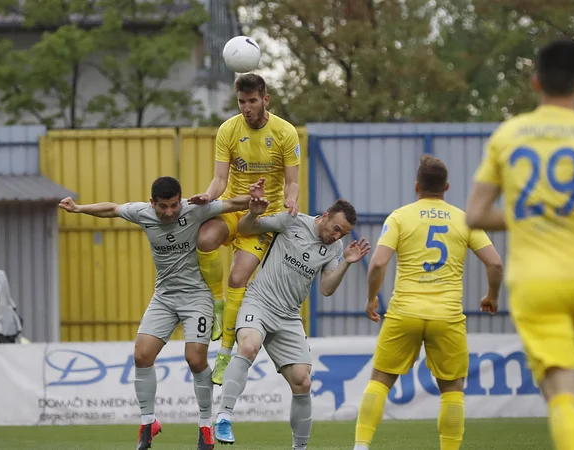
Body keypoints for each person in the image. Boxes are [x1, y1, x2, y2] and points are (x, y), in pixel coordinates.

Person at [465, 38, 574, 450]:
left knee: (563, 388)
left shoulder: (508, 135)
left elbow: (474, 215)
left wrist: (532, 216)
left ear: (534, 83)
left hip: (537, 283)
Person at [59, 176, 265, 450]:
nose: (169, 212)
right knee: (141, 355)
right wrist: (78, 208)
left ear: (181, 200)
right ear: (151, 203)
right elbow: (112, 209)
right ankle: (148, 422)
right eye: (163, 207)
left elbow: (230, 204)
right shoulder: (142, 214)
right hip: (165, 297)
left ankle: (206, 425)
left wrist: (254, 198)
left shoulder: (195, 209)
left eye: (174, 205)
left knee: (194, 359)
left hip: (196, 298)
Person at [352, 154, 504, 450]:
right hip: (446, 315)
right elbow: (495, 264)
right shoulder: (465, 219)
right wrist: (491, 296)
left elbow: (378, 265)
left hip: (404, 311)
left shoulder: (399, 216)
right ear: (446, 187)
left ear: (416, 186)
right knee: (452, 391)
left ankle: (361, 445)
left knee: (380, 380)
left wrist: (372, 299)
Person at [213, 197, 370, 450]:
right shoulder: (292, 221)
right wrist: (253, 214)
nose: (336, 235)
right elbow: (246, 228)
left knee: (302, 381)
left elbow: (327, 289)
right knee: (249, 346)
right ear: (326, 215)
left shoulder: (335, 248)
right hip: (260, 302)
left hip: (288, 316)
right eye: (336, 228)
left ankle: (300, 448)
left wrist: (346, 265)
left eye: (344, 233)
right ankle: (223, 417)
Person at [188, 73, 301, 385]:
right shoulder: (228, 129)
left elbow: (292, 182)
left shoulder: (285, 132)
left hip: (262, 216)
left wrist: (291, 201)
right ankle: (216, 303)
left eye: (252, 101)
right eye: (242, 102)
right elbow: (220, 180)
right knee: (205, 239)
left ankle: (224, 355)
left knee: (239, 277)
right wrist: (208, 196)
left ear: (265, 100)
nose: (247, 107)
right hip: (234, 206)